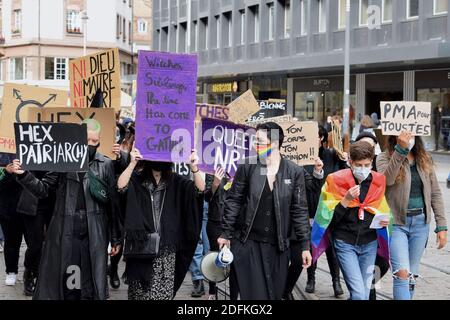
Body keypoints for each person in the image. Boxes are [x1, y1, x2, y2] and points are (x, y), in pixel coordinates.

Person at [11, 119, 122, 300]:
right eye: (87, 140)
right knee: (71, 278)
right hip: (67, 230)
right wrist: (24, 175)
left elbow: (113, 204)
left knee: (90, 280)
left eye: (95, 141)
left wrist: (116, 237)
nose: (91, 145)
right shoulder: (63, 162)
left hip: (94, 231)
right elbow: (43, 189)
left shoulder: (106, 164)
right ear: (78, 139)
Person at [218, 122, 313, 300]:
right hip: (248, 244)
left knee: (273, 296)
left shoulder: (294, 172)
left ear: (275, 143)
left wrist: (305, 246)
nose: (255, 145)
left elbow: (300, 210)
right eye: (255, 140)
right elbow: (234, 201)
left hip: (278, 248)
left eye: (260, 141)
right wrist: (226, 233)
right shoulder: (248, 166)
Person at [117, 148, 205, 300]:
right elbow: (121, 187)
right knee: (139, 294)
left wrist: (194, 167)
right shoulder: (137, 179)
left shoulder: (176, 182)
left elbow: (199, 190)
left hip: (166, 251)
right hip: (141, 249)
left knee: (163, 295)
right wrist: (132, 164)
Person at [311, 140, 392, 300]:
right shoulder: (335, 181)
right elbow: (327, 221)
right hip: (345, 243)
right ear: (350, 162)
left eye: (367, 165)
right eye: (359, 165)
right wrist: (345, 201)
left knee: (364, 293)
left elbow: (382, 210)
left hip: (369, 243)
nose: (363, 169)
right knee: (359, 294)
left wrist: (385, 220)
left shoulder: (378, 181)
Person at [377, 131, 447, 300]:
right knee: (402, 273)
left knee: (411, 275)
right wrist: (400, 151)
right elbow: (386, 181)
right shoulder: (383, 157)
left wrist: (441, 225)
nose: (410, 137)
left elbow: (435, 193)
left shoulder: (424, 158)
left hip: (420, 223)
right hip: (396, 223)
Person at [284, 126, 342, 299]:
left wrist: (344, 160)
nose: (311, 140)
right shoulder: (296, 159)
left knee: (331, 247)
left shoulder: (331, 155)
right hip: (306, 210)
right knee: (309, 246)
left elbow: (340, 177)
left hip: (326, 208)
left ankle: (336, 281)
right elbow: (307, 185)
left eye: (315, 137)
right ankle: (311, 279)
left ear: (322, 138)